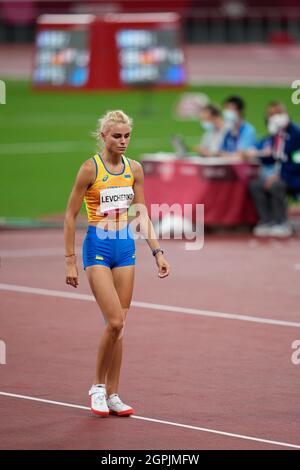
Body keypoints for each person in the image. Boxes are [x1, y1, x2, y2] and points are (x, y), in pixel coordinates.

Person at [64, 110, 170, 417]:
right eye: (116, 136)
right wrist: (70, 261)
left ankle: (113, 393)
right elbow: (70, 215)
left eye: (127, 136)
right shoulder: (89, 169)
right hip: (97, 246)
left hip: (125, 247)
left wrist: (157, 251)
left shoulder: (134, 169)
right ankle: (97, 387)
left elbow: (142, 213)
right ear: (103, 137)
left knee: (120, 328)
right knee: (114, 321)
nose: (123, 141)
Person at [245, 101, 300, 237]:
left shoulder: (297, 135)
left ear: (285, 114)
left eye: (278, 113)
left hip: (293, 177)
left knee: (276, 185)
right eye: (271, 114)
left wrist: (280, 175)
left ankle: (281, 222)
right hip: (277, 175)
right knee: (255, 184)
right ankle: (267, 220)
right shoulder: (276, 136)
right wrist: (258, 155)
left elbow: (297, 161)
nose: (274, 117)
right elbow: (275, 157)